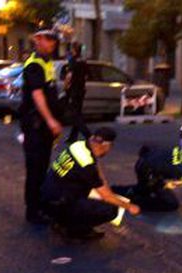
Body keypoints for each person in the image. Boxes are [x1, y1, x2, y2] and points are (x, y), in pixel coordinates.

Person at [41, 127, 140, 240]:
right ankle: (75, 231)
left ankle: (60, 221)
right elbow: (106, 196)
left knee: (87, 189)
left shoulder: (78, 145)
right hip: (59, 203)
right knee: (111, 209)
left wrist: (105, 185)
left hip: (48, 197)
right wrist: (130, 207)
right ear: (106, 146)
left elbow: (95, 166)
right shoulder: (87, 165)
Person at [19, 30, 63, 225]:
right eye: (48, 39)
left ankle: (40, 205)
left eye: (54, 40)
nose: (52, 43)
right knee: (35, 169)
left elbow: (49, 90)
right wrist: (50, 120)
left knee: (42, 167)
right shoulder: (35, 64)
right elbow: (37, 96)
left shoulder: (47, 62)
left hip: (42, 127)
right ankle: (33, 212)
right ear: (38, 40)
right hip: (35, 125)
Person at [123, 145, 182, 212]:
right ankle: (130, 202)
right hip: (146, 169)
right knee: (170, 204)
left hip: (149, 160)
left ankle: (125, 192)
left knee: (151, 190)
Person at [64, 41, 91, 143]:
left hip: (73, 91)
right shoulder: (83, 61)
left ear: (73, 50)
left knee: (75, 115)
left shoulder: (73, 60)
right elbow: (87, 76)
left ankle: (88, 135)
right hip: (81, 90)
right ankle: (72, 137)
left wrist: (66, 87)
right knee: (78, 113)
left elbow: (69, 75)